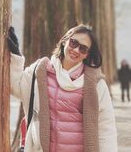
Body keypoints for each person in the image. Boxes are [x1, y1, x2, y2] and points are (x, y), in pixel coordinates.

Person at [8, 23, 118, 152]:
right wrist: (16, 57)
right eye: (73, 43)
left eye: (83, 49)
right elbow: (16, 86)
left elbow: (106, 128)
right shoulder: (40, 71)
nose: (76, 50)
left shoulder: (96, 84)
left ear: (87, 54)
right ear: (65, 40)